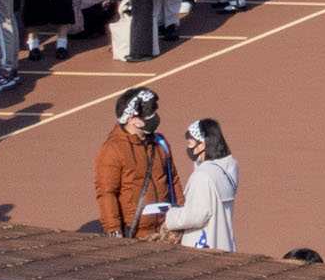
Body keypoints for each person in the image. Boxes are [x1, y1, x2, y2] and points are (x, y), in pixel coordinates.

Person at [94, 86, 178, 239]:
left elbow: (173, 181)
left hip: (167, 232)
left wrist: (182, 215)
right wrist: (114, 230)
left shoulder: (160, 143)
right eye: (149, 114)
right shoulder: (112, 150)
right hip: (136, 235)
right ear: (132, 118)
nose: (154, 116)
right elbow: (107, 193)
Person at [167, 118, 239, 252]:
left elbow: (195, 215)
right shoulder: (227, 170)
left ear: (202, 145)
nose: (188, 147)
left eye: (190, 143)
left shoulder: (203, 176)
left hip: (202, 245)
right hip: (224, 243)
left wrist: (170, 215)